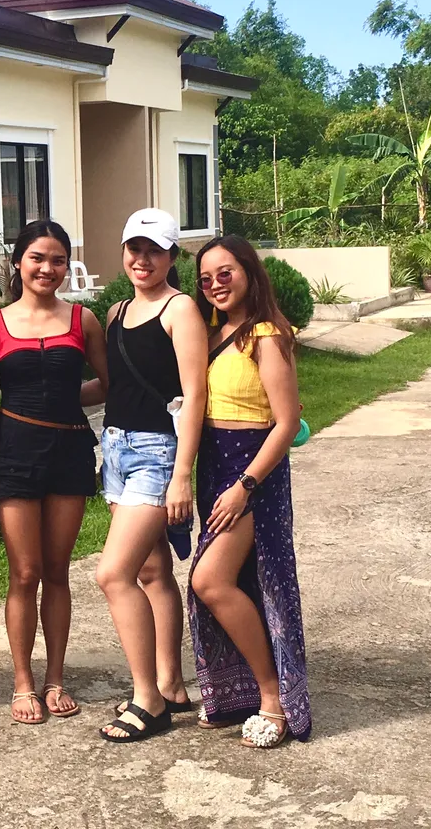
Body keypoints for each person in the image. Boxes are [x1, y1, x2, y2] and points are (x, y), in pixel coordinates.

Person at [0, 219, 108, 725]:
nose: (48, 268)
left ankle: (55, 677)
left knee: (57, 571)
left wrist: (58, 402)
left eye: (58, 260)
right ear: (18, 262)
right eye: (37, 258)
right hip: (12, 449)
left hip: (70, 449)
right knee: (25, 572)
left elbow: (107, 383)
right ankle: (22, 681)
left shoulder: (84, 319)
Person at [89, 208, 207, 744]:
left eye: (154, 251)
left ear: (171, 257)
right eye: (134, 249)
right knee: (151, 574)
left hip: (157, 454)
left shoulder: (180, 310)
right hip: (115, 450)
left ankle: (148, 700)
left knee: (112, 574)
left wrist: (183, 472)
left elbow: (194, 394)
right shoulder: (115, 312)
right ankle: (171, 684)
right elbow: (115, 389)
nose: (142, 260)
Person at [188, 235, 311, 747]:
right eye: (206, 278)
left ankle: (272, 699)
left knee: (210, 581)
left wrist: (245, 486)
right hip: (215, 468)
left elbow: (287, 422)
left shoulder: (265, 334)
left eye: (225, 272)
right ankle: (235, 692)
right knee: (231, 582)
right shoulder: (216, 332)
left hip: (250, 474)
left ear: (248, 273)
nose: (215, 283)